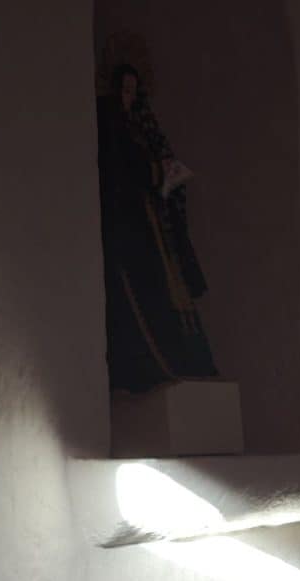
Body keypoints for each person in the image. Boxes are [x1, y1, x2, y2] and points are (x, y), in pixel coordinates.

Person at [96, 63, 218, 392]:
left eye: (134, 91)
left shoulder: (143, 127)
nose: (128, 97)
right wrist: (154, 173)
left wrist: (166, 176)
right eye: (124, 90)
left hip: (155, 222)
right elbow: (118, 168)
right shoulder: (112, 127)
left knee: (170, 288)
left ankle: (185, 360)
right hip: (133, 223)